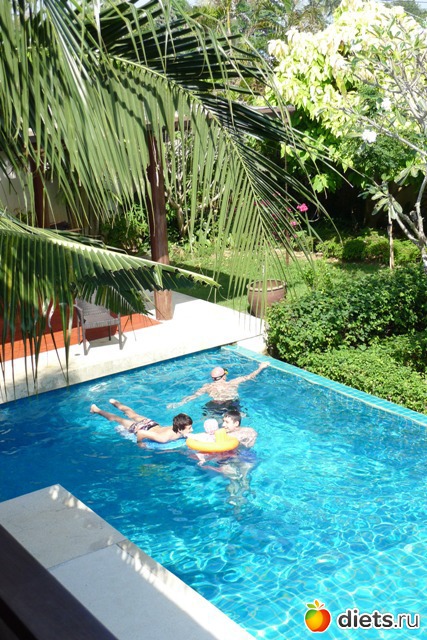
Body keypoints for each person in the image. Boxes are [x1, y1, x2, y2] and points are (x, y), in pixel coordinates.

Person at [167, 361, 269, 411]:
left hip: (214, 405)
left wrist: (179, 403)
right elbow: (250, 376)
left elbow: (193, 396)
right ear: (224, 376)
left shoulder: (207, 386)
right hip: (230, 403)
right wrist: (261, 367)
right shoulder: (233, 382)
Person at [90, 399, 193, 444]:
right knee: (118, 419)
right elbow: (141, 433)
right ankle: (96, 409)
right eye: (189, 428)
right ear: (180, 429)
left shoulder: (178, 425)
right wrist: (140, 443)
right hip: (143, 428)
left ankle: (115, 403)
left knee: (133, 414)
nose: (191, 430)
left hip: (152, 424)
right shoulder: (163, 438)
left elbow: (182, 415)